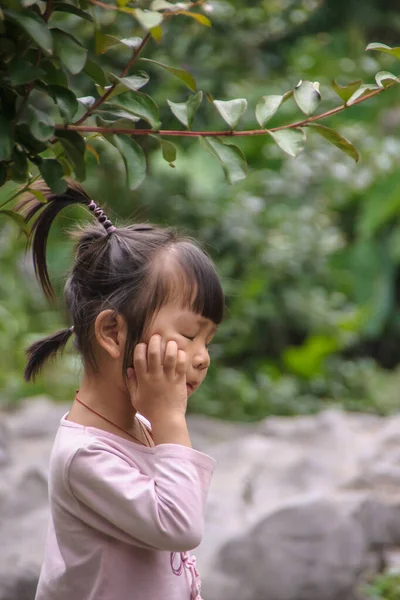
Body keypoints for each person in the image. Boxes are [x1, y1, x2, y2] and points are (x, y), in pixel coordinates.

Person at [17, 180, 224, 600]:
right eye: (187, 335)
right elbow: (181, 526)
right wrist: (170, 419)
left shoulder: (139, 423)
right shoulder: (84, 457)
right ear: (113, 331)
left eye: (208, 341)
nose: (202, 357)